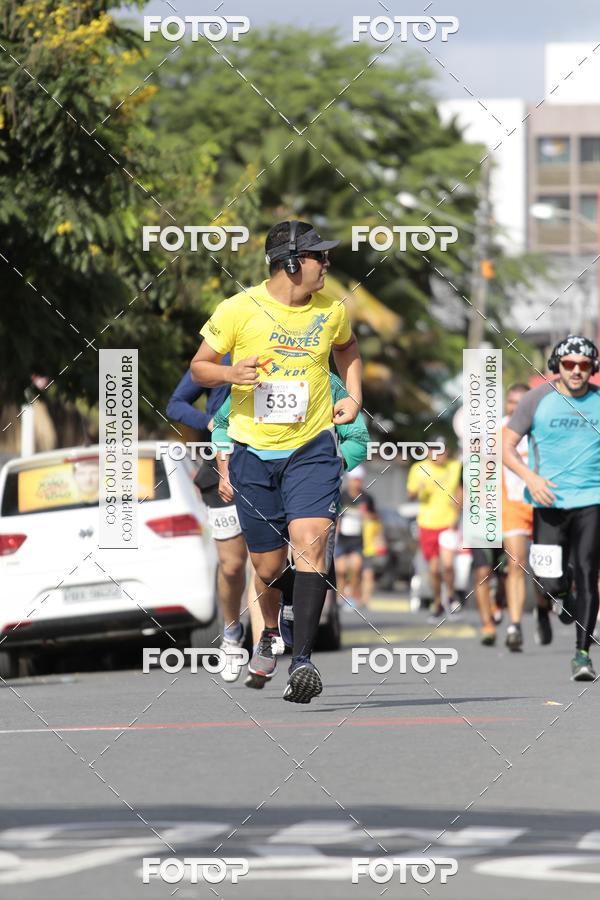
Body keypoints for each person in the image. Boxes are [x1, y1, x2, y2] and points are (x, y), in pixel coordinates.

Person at [191, 219, 363, 703]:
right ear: (291, 263)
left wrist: (352, 398)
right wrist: (230, 371)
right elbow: (199, 367)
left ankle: (302, 661)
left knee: (311, 543)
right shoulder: (238, 309)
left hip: (310, 449)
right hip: (251, 453)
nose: (326, 264)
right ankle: (270, 629)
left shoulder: (332, 310)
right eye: (318, 257)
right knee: (266, 568)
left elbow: (349, 352)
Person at [211, 372, 370, 652]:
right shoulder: (252, 380)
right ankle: (275, 621)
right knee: (267, 569)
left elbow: (357, 439)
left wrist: (326, 469)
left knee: (314, 560)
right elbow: (221, 424)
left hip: (312, 488)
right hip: (261, 482)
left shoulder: (327, 382)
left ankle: (301, 661)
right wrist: (224, 470)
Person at [503, 335, 600, 681]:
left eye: (584, 365)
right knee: (548, 581)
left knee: (589, 573)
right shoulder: (537, 399)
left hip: (591, 500)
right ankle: (564, 595)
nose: (576, 371)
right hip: (547, 501)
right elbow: (506, 445)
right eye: (570, 364)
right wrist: (530, 478)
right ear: (557, 365)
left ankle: (582, 655)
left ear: (592, 368)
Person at [166, 365, 264, 684]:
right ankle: (232, 632)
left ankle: (263, 649)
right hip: (222, 465)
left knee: (264, 563)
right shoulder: (217, 358)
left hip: (269, 462)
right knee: (233, 565)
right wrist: (208, 421)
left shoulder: (280, 347)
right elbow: (175, 404)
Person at [501, 383, 552, 651]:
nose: (515, 407)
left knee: (545, 570)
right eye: (511, 402)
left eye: (521, 402)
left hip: (543, 504)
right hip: (512, 506)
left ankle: (543, 608)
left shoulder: (542, 428)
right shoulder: (498, 431)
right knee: (516, 563)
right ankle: (515, 625)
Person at [406, 442, 462, 623]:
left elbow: (460, 491)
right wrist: (418, 490)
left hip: (448, 523)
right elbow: (410, 494)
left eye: (443, 451)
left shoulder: (455, 466)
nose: (439, 455)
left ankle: (451, 595)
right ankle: (438, 603)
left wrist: (457, 513)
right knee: (434, 569)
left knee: (447, 565)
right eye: (435, 451)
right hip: (427, 523)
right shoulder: (418, 468)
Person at [335, 466, 378, 607]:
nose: (356, 483)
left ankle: (352, 596)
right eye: (354, 480)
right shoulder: (342, 496)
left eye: (359, 480)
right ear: (349, 480)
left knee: (356, 567)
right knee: (340, 570)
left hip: (358, 540)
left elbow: (375, 517)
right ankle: (339, 596)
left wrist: (367, 515)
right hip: (342, 539)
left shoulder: (366, 498)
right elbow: (334, 515)